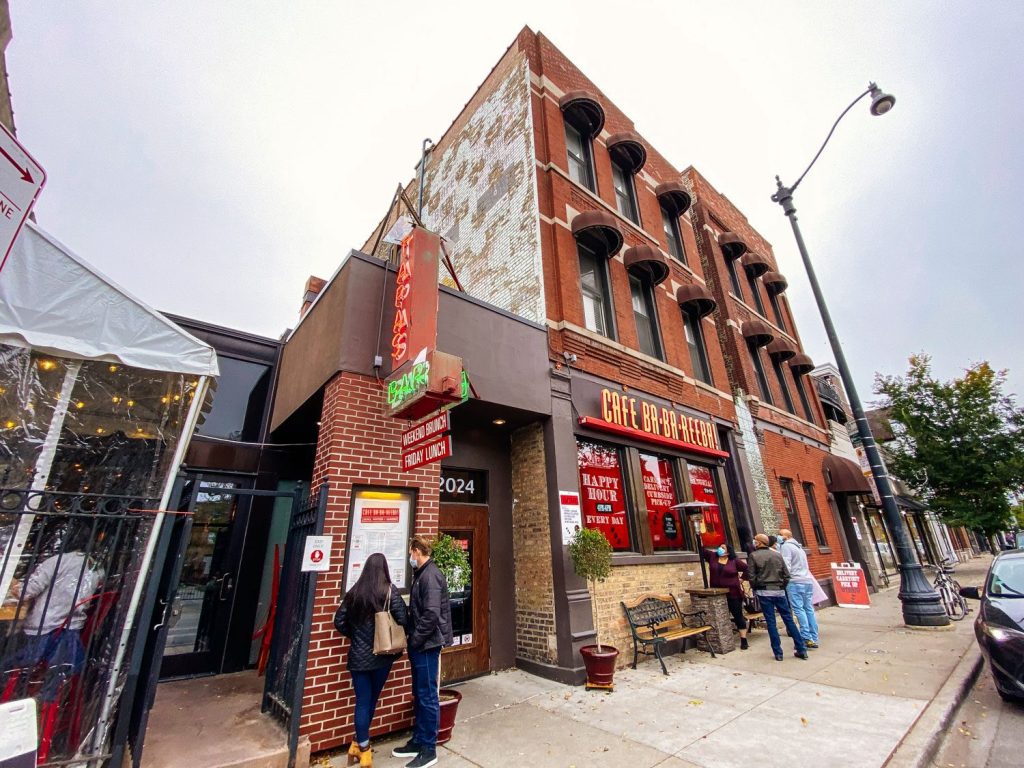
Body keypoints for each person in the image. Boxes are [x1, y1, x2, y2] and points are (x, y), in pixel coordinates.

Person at [334, 552, 408, 767]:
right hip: (381, 656)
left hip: (358, 657)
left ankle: (360, 744)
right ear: (384, 569)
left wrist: (355, 635)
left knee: (362, 701)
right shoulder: (388, 592)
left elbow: (339, 621)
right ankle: (363, 748)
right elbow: (403, 618)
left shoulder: (354, 592)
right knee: (371, 699)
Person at [391, 536, 453, 768]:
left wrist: (415, 639)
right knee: (419, 692)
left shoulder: (430, 576)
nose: (409, 557)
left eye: (410, 553)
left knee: (427, 695)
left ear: (417, 551)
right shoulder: (422, 574)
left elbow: (431, 615)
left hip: (427, 645)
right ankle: (418, 740)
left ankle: (429, 748)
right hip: (421, 644)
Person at [747, 533, 807, 661]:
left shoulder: (754, 556)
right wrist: (781, 586)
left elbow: (751, 576)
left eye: (755, 541)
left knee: (771, 622)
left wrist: (757, 587)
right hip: (779, 591)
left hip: (764, 592)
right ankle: (801, 649)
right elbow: (786, 575)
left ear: (758, 542)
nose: (753, 542)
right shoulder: (777, 554)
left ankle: (778, 653)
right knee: (788, 620)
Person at [703, 544, 750, 649]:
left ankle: (743, 639)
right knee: (721, 616)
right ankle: (725, 639)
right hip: (717, 593)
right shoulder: (713, 556)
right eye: (720, 547)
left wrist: (742, 578)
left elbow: (748, 569)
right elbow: (702, 550)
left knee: (738, 615)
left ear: (728, 551)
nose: (720, 548)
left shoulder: (734, 561)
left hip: (733, 592)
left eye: (723, 547)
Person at [778, 528, 820, 649]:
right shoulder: (799, 547)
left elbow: (786, 566)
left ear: (786, 537)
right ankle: (813, 636)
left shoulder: (786, 546)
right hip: (807, 581)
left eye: (780, 535)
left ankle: (806, 637)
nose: (778, 537)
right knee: (808, 609)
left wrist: (783, 580)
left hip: (795, 581)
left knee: (799, 610)